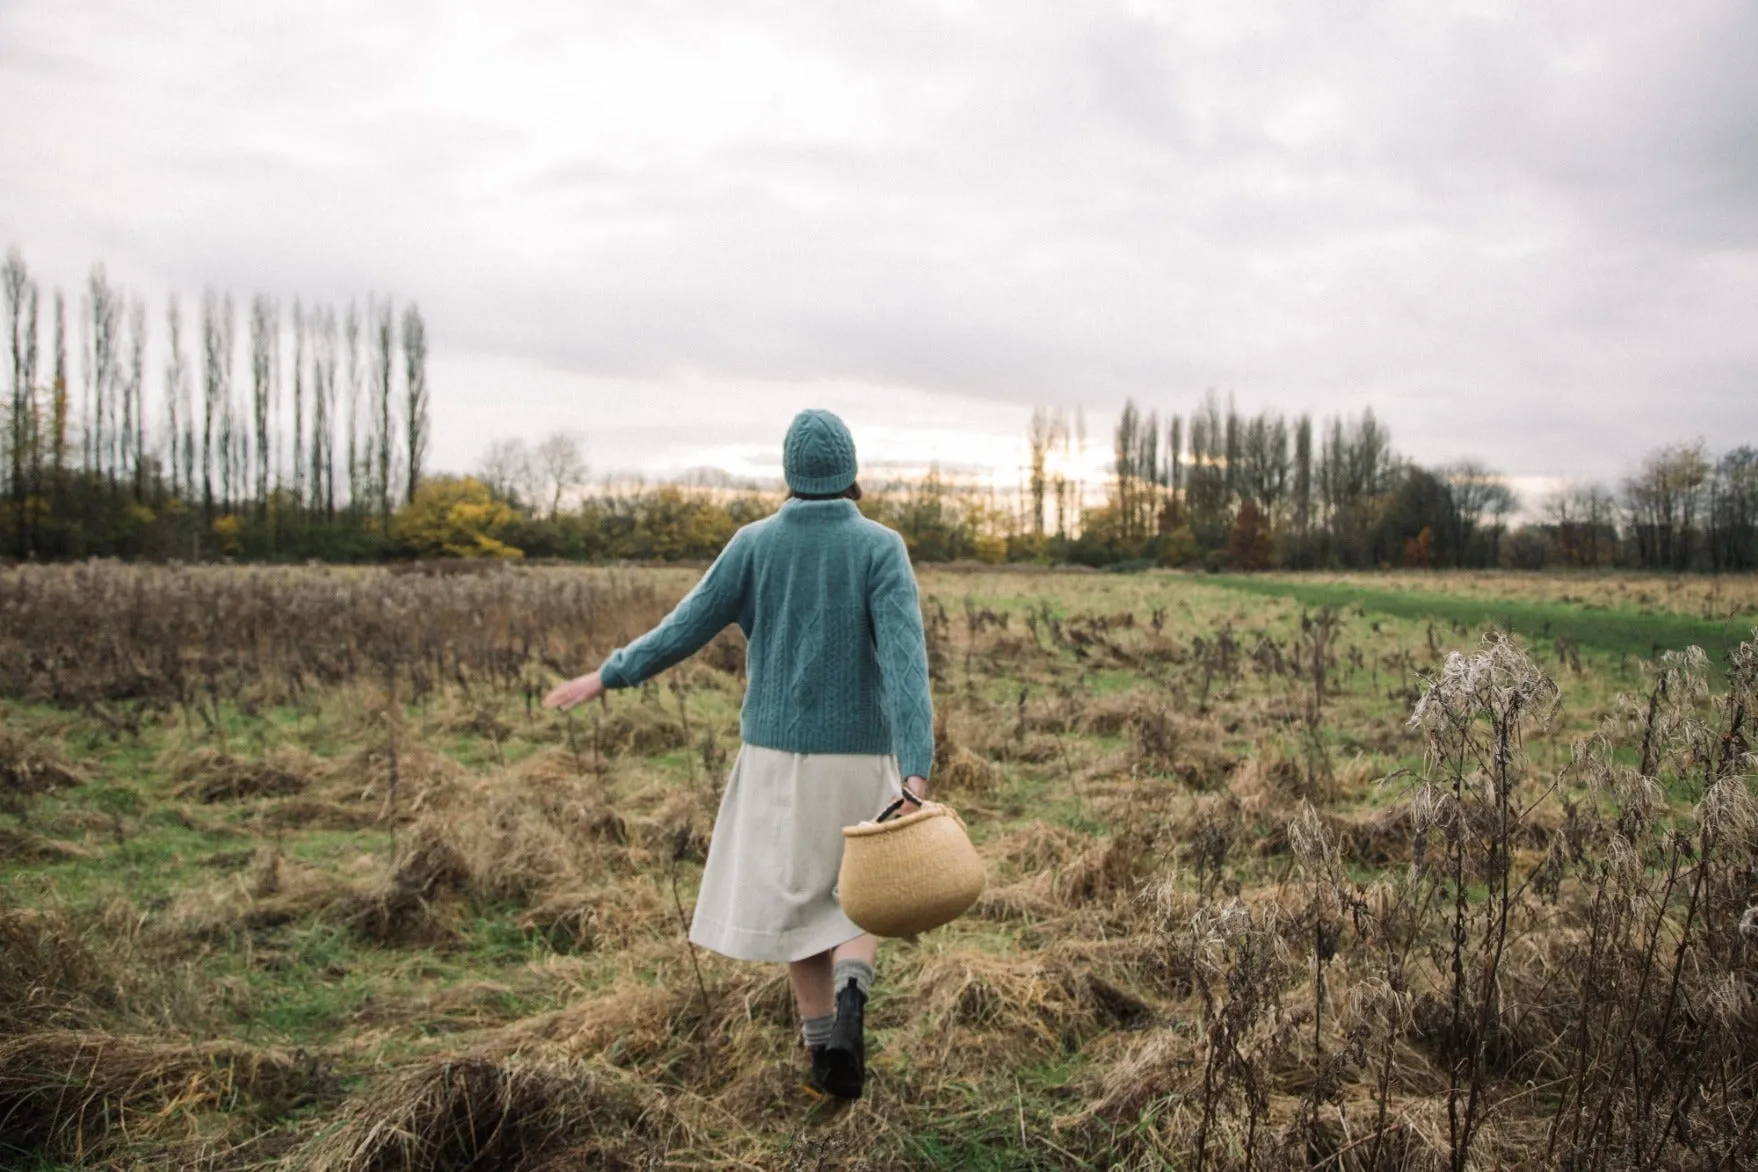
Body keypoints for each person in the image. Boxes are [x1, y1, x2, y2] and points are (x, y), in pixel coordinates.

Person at [542, 408, 933, 1101]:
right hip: (859, 758)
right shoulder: (881, 547)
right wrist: (915, 770)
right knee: (859, 904)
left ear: (790, 474)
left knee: (798, 911)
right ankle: (851, 1001)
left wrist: (608, 674)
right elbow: (906, 665)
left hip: (775, 760)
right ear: (850, 473)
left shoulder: (754, 544)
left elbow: (683, 627)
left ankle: (822, 1065)